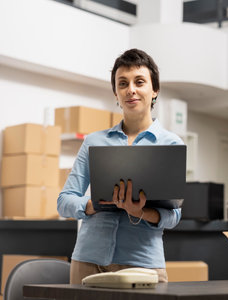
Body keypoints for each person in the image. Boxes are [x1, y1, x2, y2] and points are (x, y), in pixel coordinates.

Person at [57, 48, 184, 284]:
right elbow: (64, 201)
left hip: (143, 264)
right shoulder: (93, 142)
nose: (131, 90)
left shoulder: (171, 143)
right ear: (116, 92)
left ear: (154, 90)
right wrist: (94, 204)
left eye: (139, 82)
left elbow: (174, 214)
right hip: (88, 263)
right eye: (122, 83)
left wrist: (141, 212)